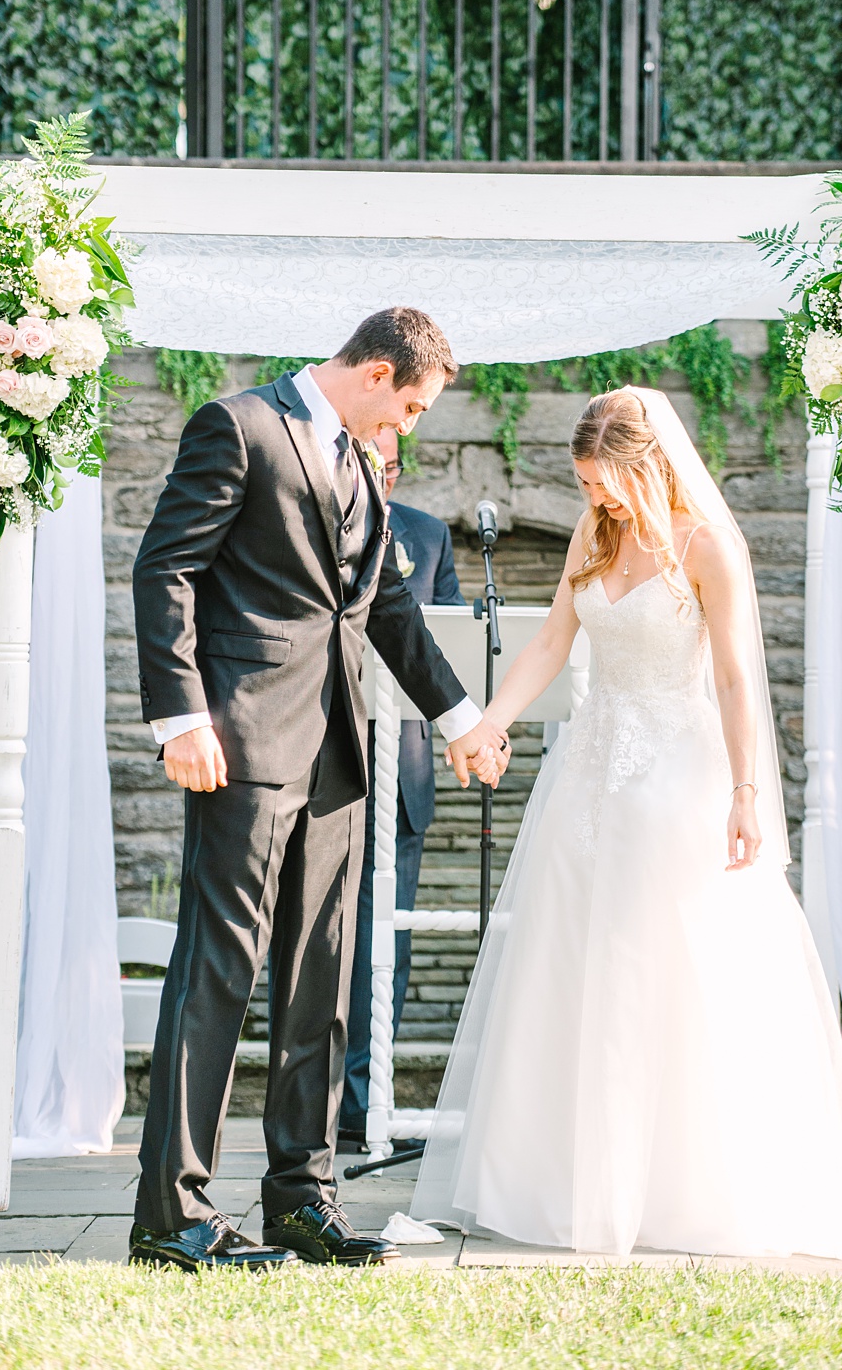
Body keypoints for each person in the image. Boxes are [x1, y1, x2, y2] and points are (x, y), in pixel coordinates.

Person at [411, 388, 842, 1260]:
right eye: (586, 483)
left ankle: (680, 1190)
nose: (596, 498)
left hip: (678, 775)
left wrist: (748, 792)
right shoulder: (593, 535)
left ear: (647, 464)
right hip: (589, 777)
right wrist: (493, 720)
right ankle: (571, 1182)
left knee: (657, 967)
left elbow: (740, 679)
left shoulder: (710, 547)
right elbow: (553, 643)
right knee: (571, 967)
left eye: (606, 482)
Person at [128, 307, 507, 1274]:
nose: (410, 426)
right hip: (242, 739)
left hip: (338, 751)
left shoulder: (363, 463)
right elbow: (166, 567)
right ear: (376, 372)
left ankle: (303, 1200)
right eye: (411, 404)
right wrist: (183, 717)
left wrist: (460, 717)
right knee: (219, 969)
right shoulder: (240, 426)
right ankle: (172, 1215)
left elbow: (381, 603)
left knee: (320, 980)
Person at [338, 423, 461, 1151]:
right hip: (335, 749)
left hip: (404, 763)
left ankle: (369, 1101)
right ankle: (330, 1106)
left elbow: (441, 639)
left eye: (390, 469)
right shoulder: (320, 518)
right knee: (331, 933)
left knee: (391, 937)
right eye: (369, 466)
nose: (380, 479)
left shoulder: (428, 534)